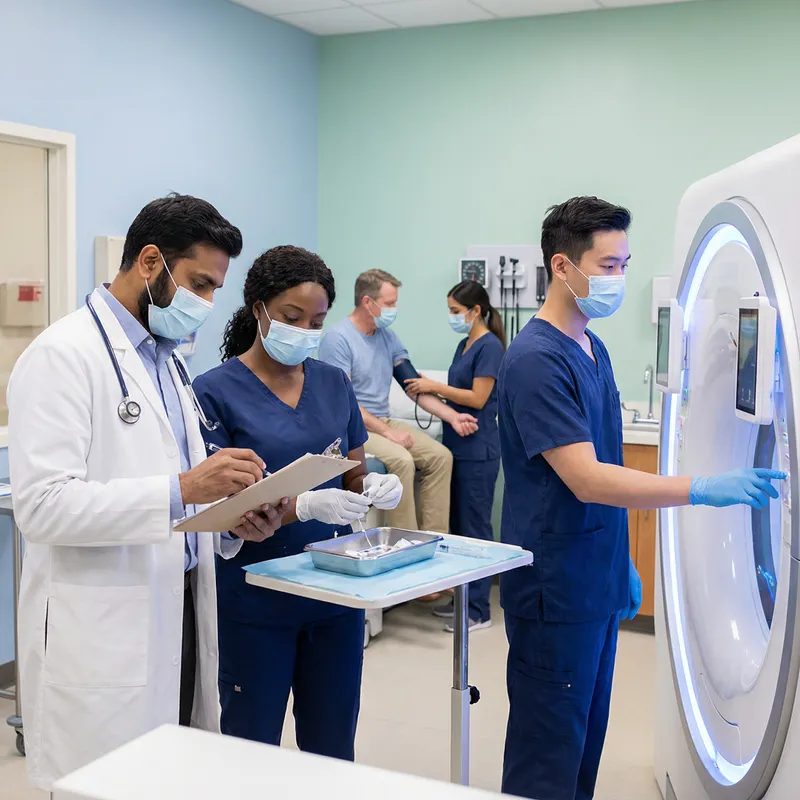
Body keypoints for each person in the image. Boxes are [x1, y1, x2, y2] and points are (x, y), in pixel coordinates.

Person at [498, 196, 786, 800]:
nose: (619, 279)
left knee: (583, 749)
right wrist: (702, 489)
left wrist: (621, 560)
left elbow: (608, 461)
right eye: (607, 266)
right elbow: (587, 478)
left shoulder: (593, 350)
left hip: (594, 578)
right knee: (546, 757)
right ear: (562, 266)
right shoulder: (534, 360)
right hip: (556, 593)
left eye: (625, 264)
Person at [6, 195, 287, 792]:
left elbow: (176, 493)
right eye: (199, 284)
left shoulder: (168, 362)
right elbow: (42, 507)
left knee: (169, 776)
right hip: (105, 632)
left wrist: (230, 516)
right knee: (104, 783)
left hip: (178, 609)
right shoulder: (62, 356)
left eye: (215, 290)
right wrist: (185, 487)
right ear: (151, 261)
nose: (207, 305)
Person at [192, 247, 402, 760]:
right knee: (252, 749)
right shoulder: (212, 392)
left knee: (332, 747)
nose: (305, 331)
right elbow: (219, 514)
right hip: (255, 599)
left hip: (335, 596)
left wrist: (375, 487)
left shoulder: (333, 383)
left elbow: (353, 476)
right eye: (291, 318)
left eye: (317, 321)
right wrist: (302, 507)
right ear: (259, 308)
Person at [319, 269, 477, 540]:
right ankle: (406, 544)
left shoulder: (387, 337)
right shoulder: (338, 339)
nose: (394, 309)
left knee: (441, 457)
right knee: (403, 460)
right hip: (353, 426)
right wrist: (388, 432)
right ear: (368, 302)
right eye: (390, 304)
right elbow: (345, 402)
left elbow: (413, 385)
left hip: (382, 421)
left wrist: (452, 416)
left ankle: (435, 542)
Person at [404, 280, 505, 632]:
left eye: (455, 311)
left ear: (475, 311)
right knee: (459, 530)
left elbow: (477, 398)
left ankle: (479, 609)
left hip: (479, 449)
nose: (451, 317)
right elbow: (456, 395)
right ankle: (462, 601)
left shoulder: (490, 347)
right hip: (455, 447)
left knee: (476, 529)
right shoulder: (465, 344)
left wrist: (432, 386)